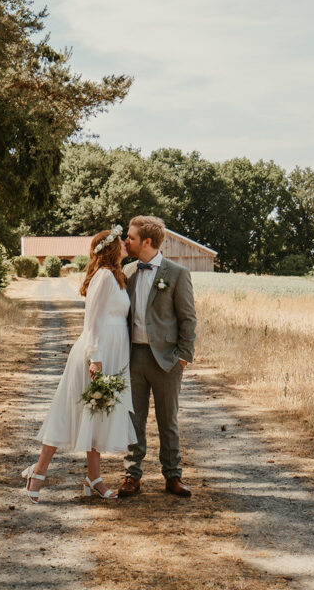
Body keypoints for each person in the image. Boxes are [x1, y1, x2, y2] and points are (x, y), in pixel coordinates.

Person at [22, 226, 136, 503]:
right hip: (95, 355)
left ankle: (93, 479)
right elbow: (92, 321)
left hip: (112, 353)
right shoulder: (105, 276)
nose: (124, 244)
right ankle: (37, 474)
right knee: (68, 412)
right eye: (120, 240)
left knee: (98, 414)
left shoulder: (116, 276)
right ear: (110, 247)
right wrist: (95, 359)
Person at [118, 215, 197, 498]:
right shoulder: (126, 272)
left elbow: (188, 319)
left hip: (167, 360)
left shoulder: (176, 273)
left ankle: (173, 476)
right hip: (134, 356)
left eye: (131, 237)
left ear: (147, 242)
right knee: (133, 419)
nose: (126, 241)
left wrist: (183, 357)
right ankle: (131, 475)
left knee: (168, 420)